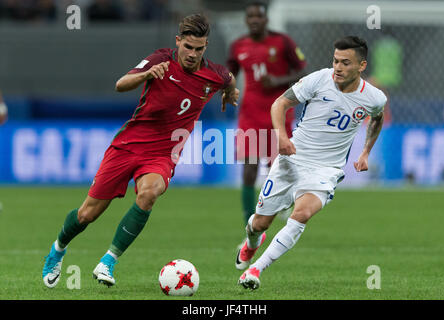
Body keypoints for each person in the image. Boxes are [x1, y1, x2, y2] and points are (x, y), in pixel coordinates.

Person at [42, 13, 239, 288]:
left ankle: (108, 261)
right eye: (188, 47)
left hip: (162, 154)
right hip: (128, 145)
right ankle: (58, 249)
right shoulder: (160, 59)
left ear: (206, 46)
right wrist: (146, 74)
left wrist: (230, 93)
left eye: (199, 48)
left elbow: (228, 79)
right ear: (178, 41)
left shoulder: (214, 74)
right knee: (87, 214)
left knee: (149, 193)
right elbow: (120, 84)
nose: (193, 54)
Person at [236, 36, 386, 290]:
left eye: (345, 63)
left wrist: (365, 152)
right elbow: (280, 103)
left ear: (361, 66)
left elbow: (377, 118)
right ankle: (252, 242)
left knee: (302, 213)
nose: (338, 67)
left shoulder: (374, 97)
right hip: (292, 159)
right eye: (336, 61)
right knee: (260, 223)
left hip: (326, 170)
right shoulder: (319, 79)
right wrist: (282, 137)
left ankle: (255, 270)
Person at [226, 1, 307, 227]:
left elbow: (303, 71)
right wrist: (227, 89)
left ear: (266, 19)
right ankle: (248, 222)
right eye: (250, 17)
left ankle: (281, 205)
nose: (254, 20)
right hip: (250, 114)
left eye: (258, 16)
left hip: (278, 114)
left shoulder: (282, 42)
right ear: (246, 20)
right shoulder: (238, 46)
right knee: (249, 169)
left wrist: (278, 81)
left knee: (277, 169)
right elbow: (229, 73)